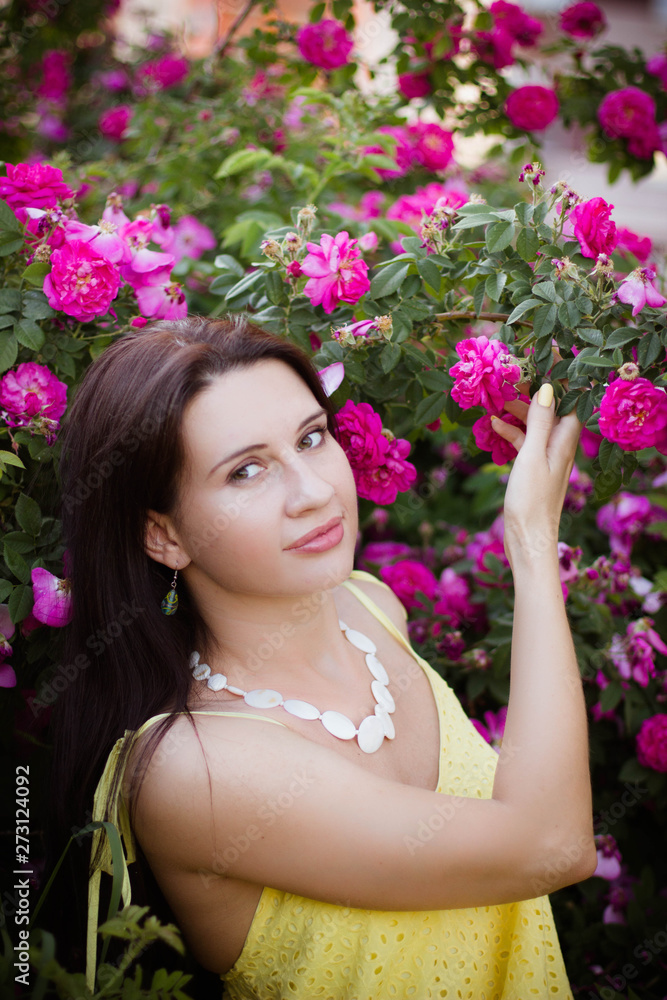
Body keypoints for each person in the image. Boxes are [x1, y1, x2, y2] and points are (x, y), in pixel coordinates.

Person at [48, 314, 596, 1000]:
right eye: (246, 470)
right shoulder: (199, 770)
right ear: (163, 536)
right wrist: (531, 540)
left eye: (312, 437)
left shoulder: (368, 607)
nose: (312, 492)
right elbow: (551, 845)